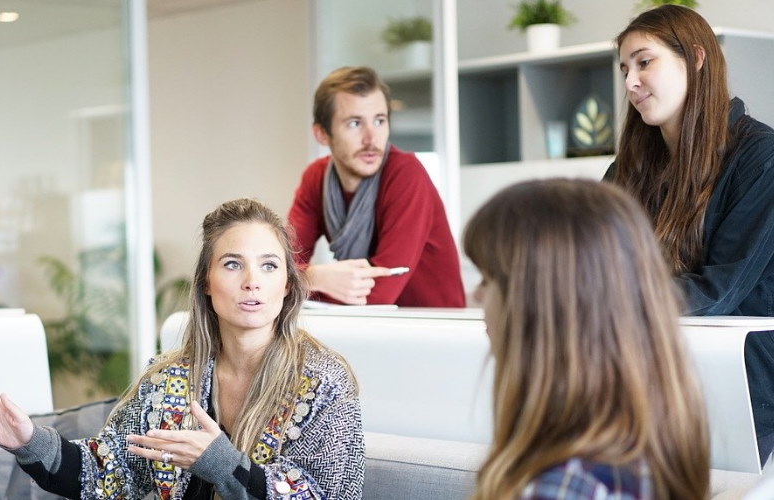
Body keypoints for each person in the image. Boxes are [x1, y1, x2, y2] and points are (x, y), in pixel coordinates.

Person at [0, 198, 364, 499]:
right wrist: (30, 441)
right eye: (233, 264)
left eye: (269, 265)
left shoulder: (324, 382)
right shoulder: (169, 377)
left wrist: (223, 464)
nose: (252, 281)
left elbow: (321, 495)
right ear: (206, 281)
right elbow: (110, 471)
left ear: (287, 284)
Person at [465, 179, 710, 500]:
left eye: (488, 278)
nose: (476, 295)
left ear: (540, 305)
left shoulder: (562, 488)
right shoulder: (646, 451)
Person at [605, 5, 774, 460]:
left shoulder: (761, 157)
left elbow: (719, 291)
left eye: (644, 62)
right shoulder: (629, 168)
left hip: (742, 382)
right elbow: (594, 261)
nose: (630, 83)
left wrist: (607, 298)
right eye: (624, 69)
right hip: (650, 372)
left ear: (696, 58)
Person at [288, 66, 464, 307]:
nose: (371, 139)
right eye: (354, 123)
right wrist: (315, 276)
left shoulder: (406, 174)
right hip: (368, 328)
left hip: (432, 330)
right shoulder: (316, 178)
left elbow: (379, 294)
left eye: (379, 121)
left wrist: (302, 281)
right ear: (322, 134)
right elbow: (279, 267)